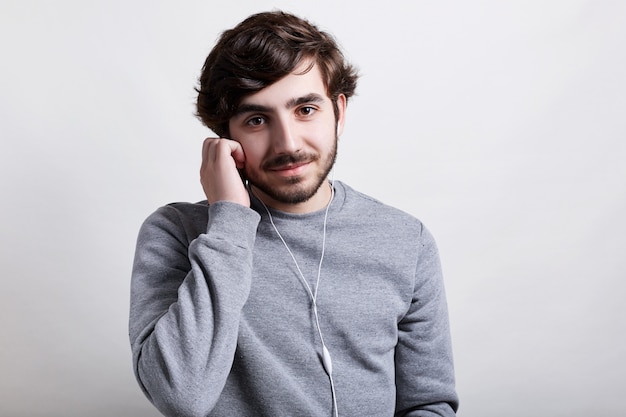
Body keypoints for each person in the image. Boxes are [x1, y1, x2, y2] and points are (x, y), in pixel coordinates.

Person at [129, 10, 459, 417]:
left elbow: (428, 403)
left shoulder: (407, 240)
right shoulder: (177, 233)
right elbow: (182, 396)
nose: (287, 143)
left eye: (305, 109)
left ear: (338, 111)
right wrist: (229, 218)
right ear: (225, 139)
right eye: (256, 119)